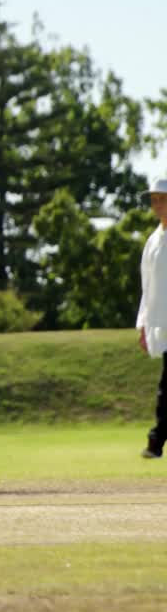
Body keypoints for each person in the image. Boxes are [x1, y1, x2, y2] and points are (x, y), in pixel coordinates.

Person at [137, 178, 167, 459]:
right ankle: (156, 440)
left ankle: (156, 441)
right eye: (154, 200)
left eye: (163, 199)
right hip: (162, 324)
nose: (158, 205)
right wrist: (143, 327)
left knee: (166, 387)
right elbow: (147, 288)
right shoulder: (153, 241)